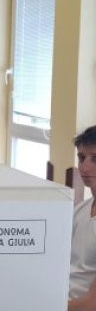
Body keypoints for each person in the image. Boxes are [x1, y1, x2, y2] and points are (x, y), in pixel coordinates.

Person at [69, 125, 96, 311]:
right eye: (81, 158)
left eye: (95, 159)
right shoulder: (80, 210)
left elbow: (92, 304)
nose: (85, 167)